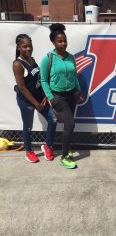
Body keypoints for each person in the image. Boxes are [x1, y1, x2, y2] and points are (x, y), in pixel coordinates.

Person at [40, 23, 81, 169]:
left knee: (68, 126)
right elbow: (43, 80)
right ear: (53, 42)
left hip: (72, 94)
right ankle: (64, 157)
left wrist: (78, 90)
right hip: (57, 96)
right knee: (70, 124)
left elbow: (74, 76)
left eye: (65, 40)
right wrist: (50, 97)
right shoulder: (48, 58)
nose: (63, 43)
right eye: (60, 41)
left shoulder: (71, 57)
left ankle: (67, 150)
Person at [13, 34, 57, 163]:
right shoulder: (17, 64)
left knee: (53, 119)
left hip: (39, 99)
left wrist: (44, 95)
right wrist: (36, 103)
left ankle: (47, 146)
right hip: (26, 101)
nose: (28, 49)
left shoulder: (32, 59)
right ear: (18, 47)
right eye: (24, 46)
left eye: (30, 46)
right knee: (28, 126)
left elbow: (39, 79)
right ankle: (29, 151)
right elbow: (22, 88)